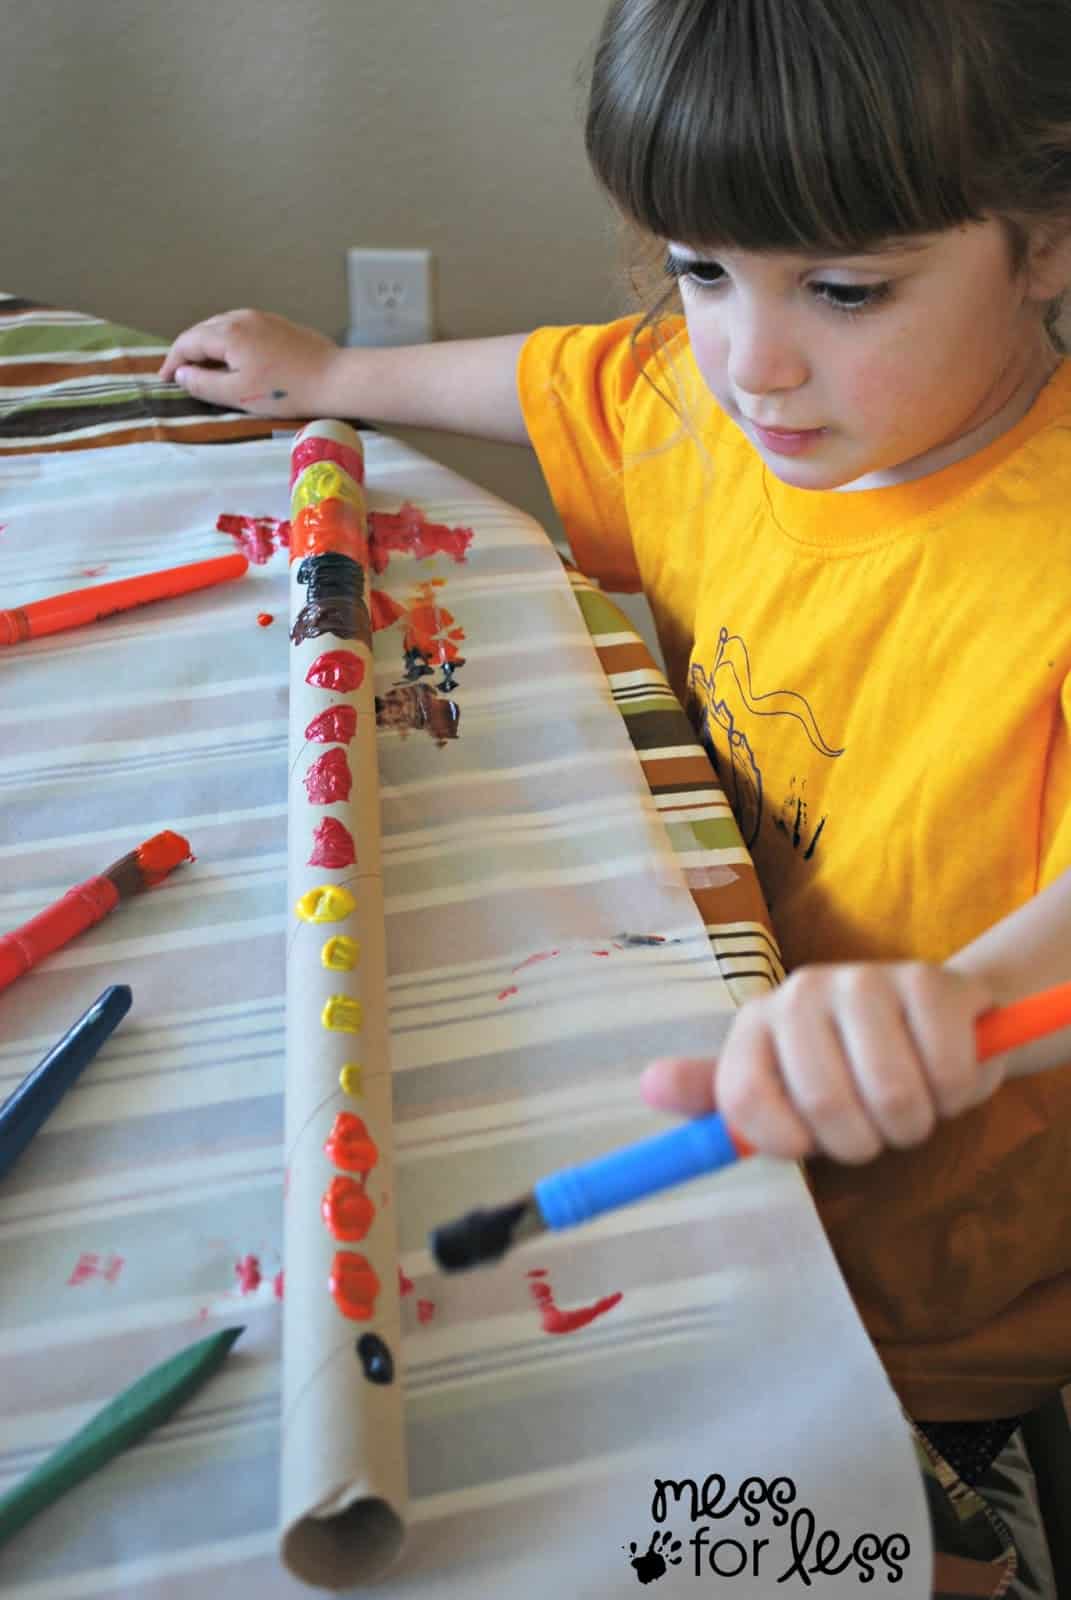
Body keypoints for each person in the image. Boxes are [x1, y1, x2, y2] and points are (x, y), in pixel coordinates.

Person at [161, 0, 1071, 1525]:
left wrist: (966, 1000)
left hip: (927, 1306)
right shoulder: (704, 412)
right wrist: (328, 369)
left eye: (846, 290)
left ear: (1046, 242)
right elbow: (563, 381)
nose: (748, 360)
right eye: (704, 270)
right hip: (704, 1106)